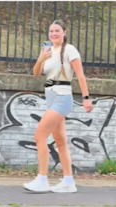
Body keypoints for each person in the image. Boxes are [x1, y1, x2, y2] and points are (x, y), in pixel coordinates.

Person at [24, 19, 93, 193]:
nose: (53, 34)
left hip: (63, 97)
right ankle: (69, 182)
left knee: (39, 136)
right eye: (51, 31)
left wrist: (86, 98)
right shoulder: (47, 51)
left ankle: (42, 179)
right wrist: (40, 59)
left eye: (57, 30)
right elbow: (36, 73)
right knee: (60, 142)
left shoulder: (69, 50)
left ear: (64, 32)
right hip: (50, 96)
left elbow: (81, 75)